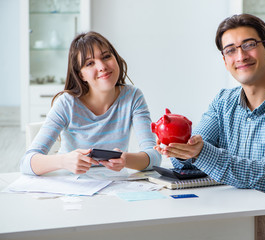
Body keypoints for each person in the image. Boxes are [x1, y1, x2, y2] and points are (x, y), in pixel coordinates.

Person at [155, 14, 265, 239]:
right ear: (225, 61)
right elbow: (192, 157)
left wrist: (200, 152)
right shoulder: (223, 102)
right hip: (233, 221)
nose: (241, 56)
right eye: (230, 50)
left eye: (249, 45)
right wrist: (178, 147)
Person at [21, 31, 161, 176]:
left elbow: (155, 157)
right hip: (71, 188)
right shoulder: (66, 104)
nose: (102, 67)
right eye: (89, 63)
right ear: (81, 75)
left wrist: (126, 159)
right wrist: (63, 161)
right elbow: (26, 163)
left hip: (115, 186)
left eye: (106, 56)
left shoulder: (133, 97)